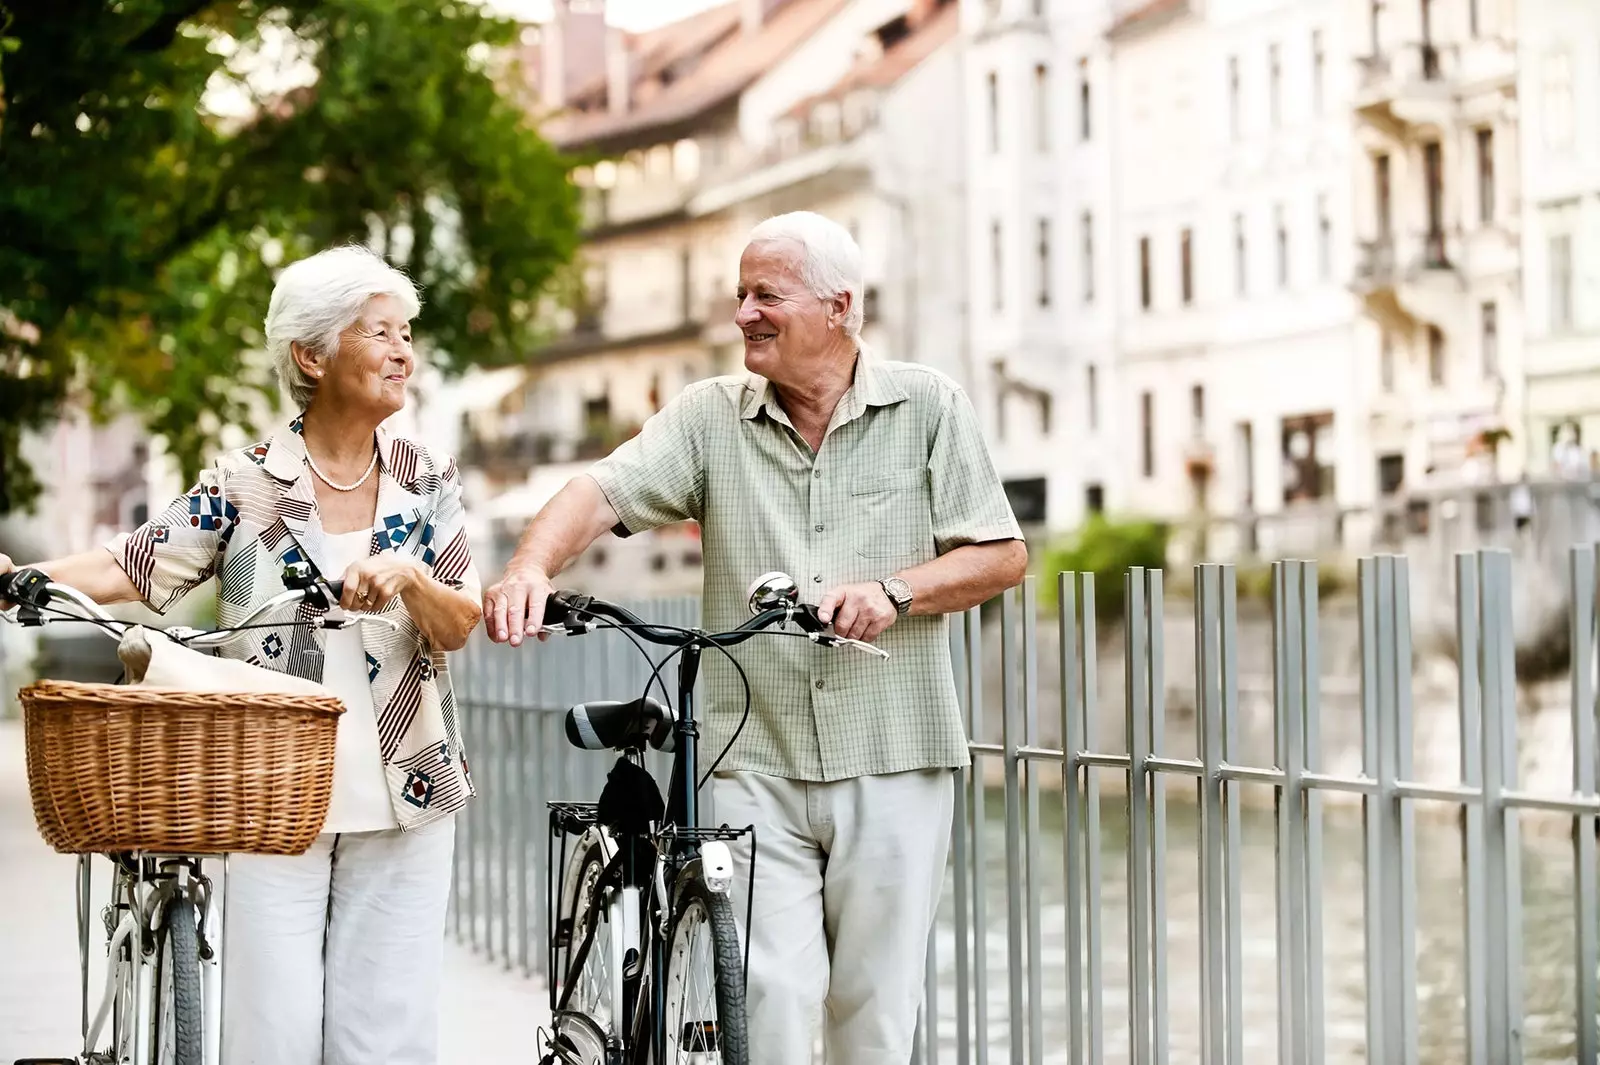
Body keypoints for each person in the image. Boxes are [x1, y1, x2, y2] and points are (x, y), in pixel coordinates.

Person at [483, 211, 1027, 1064]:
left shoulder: (928, 406)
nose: (744, 314)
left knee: (877, 1010)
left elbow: (1002, 554)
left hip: (895, 749)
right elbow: (598, 491)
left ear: (839, 306)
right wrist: (529, 569)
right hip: (750, 753)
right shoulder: (709, 419)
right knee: (768, 995)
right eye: (740, 295)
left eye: (766, 294)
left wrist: (897, 591)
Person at [0, 244, 482, 1064]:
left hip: (409, 784)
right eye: (380, 332)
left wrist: (407, 576)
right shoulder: (246, 480)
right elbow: (135, 563)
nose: (404, 351)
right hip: (269, 791)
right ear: (311, 353)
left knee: (387, 1040)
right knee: (275, 1035)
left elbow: (460, 617)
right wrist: (20, 579)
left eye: (407, 332)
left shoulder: (427, 475)